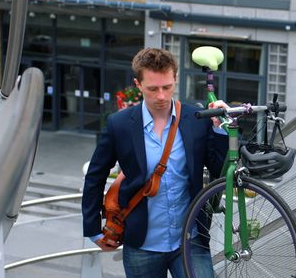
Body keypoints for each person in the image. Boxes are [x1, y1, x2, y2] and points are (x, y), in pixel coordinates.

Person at [82, 47, 228, 277]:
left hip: (190, 240)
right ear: (138, 85)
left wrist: (220, 132)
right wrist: (92, 229)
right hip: (141, 245)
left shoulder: (196, 119)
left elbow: (220, 172)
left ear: (175, 80)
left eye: (167, 87)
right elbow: (95, 175)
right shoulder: (119, 125)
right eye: (152, 88)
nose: (161, 96)